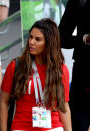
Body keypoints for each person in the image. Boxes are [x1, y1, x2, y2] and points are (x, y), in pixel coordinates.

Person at [0, 18, 72, 131]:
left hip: (53, 127)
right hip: (21, 127)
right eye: (31, 37)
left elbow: (64, 106)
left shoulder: (60, 70)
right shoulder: (15, 66)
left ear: (49, 43)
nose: (31, 42)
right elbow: (3, 103)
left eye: (38, 39)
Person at [59, 0, 90, 130]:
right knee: (79, 122)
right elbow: (61, 37)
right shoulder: (79, 1)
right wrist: (85, 39)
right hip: (85, 69)